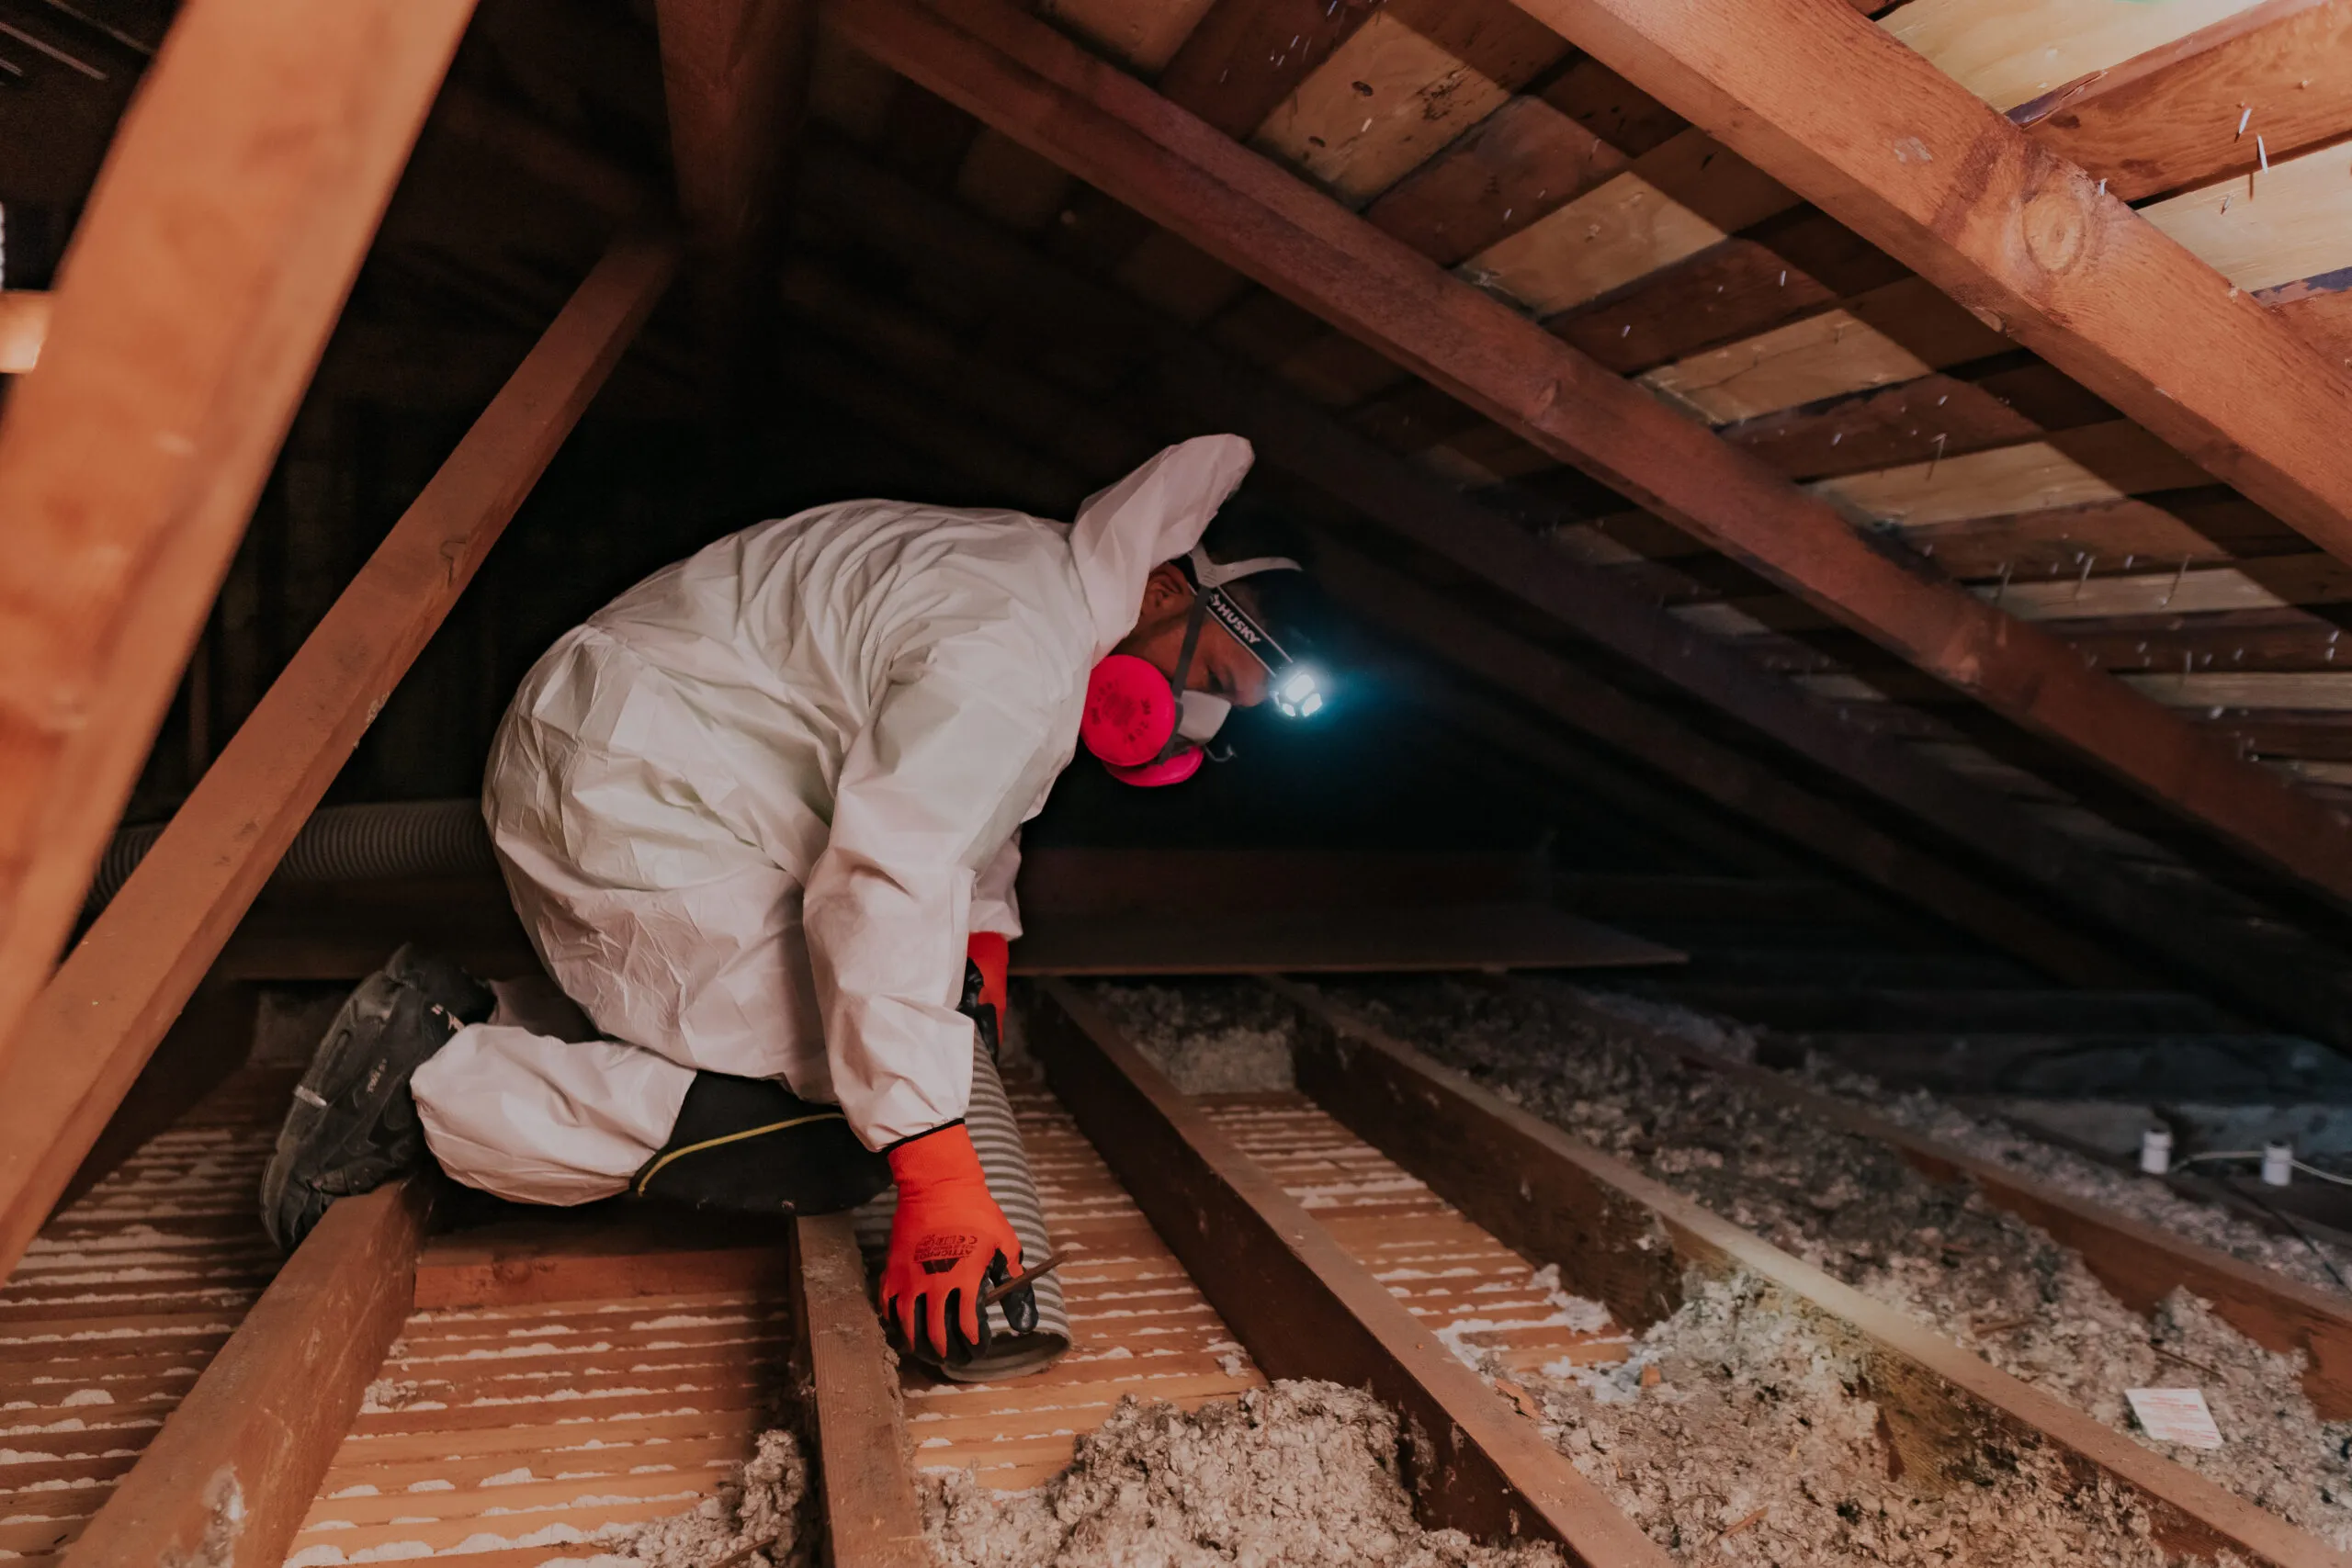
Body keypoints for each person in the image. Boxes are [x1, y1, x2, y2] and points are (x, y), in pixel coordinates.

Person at [257, 434, 1325, 1371]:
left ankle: (467, 1013)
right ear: (1165, 594)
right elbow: (892, 866)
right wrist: (937, 1163)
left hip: (649, 760)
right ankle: (435, 1083)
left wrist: (984, 943)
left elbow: (966, 804)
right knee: (841, 1130)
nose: (1191, 725)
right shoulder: (1020, 651)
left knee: (866, 1049)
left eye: (1223, 718)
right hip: (645, 793)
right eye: (1217, 684)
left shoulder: (1032, 583)